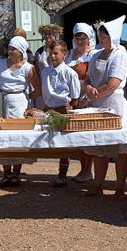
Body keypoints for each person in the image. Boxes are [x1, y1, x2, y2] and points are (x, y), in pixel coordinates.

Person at [81, 16, 127, 200]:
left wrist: (94, 93)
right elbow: (86, 79)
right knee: (99, 147)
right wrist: (88, 89)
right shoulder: (95, 55)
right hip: (96, 105)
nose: (101, 37)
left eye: (105, 35)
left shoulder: (120, 53)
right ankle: (97, 185)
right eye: (100, 34)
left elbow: (113, 83)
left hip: (113, 105)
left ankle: (119, 188)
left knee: (119, 149)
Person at [0, 36, 42, 187]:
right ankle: (6, 172)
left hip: (19, 103)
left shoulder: (27, 68)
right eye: (9, 48)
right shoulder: (1, 64)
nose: (10, 51)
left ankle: (17, 172)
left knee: (18, 135)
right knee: (2, 134)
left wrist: (25, 97)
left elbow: (38, 89)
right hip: (2, 100)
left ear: (21, 51)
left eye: (13, 49)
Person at [40, 39, 81, 187]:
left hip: (64, 108)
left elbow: (75, 96)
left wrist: (68, 108)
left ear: (64, 54)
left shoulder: (69, 73)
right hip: (48, 108)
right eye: (50, 53)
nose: (52, 56)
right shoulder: (45, 72)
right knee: (44, 137)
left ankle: (62, 174)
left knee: (64, 144)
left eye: (56, 53)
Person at [64, 22, 98, 183]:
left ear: (88, 38)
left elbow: (91, 79)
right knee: (76, 137)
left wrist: (83, 98)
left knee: (86, 135)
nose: (80, 41)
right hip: (71, 99)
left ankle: (87, 170)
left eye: (83, 38)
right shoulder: (70, 54)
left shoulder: (92, 55)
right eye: (77, 37)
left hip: (84, 100)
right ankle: (82, 168)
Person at [33, 24, 63, 109]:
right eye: (45, 34)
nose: (47, 36)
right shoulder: (39, 51)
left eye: (50, 33)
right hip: (43, 84)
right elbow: (36, 69)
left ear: (55, 35)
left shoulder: (61, 49)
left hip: (57, 84)